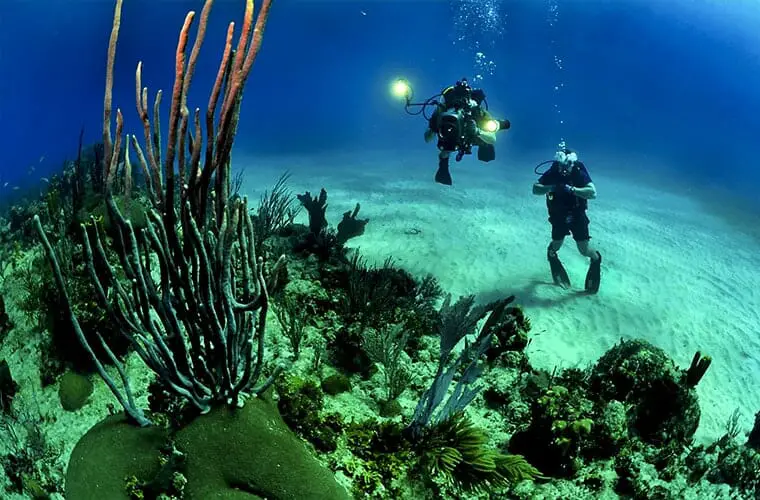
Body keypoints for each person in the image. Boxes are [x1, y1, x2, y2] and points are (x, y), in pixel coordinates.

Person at [532, 147, 602, 293]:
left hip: (577, 215)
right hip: (558, 215)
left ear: (572, 163)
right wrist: (552, 187)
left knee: (584, 249)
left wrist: (572, 190)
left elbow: (593, 192)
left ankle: (596, 259)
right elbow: (535, 189)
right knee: (556, 245)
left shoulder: (578, 171)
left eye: (568, 165)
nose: (564, 169)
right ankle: (551, 254)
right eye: (561, 165)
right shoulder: (553, 171)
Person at [423, 78, 510, 185]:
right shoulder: (441, 112)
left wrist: (478, 131)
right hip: (453, 139)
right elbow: (427, 138)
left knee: (487, 145)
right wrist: (434, 125)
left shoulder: (476, 112)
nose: (459, 102)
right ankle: (443, 169)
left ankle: (486, 144)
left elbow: (493, 139)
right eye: (456, 98)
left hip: (473, 135)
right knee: (445, 151)